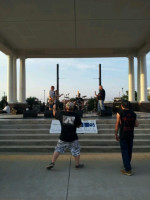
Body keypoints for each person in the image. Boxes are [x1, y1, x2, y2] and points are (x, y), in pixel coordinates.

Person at [46, 102, 84, 170]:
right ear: (73, 108)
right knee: (76, 150)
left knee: (58, 149)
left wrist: (54, 108)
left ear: (66, 107)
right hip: (73, 137)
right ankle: (77, 164)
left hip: (63, 137)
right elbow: (79, 125)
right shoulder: (76, 115)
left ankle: (52, 162)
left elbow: (54, 114)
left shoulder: (61, 114)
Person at [115, 100, 138, 176]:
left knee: (124, 151)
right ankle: (127, 164)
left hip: (123, 134)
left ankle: (128, 170)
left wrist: (116, 134)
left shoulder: (119, 113)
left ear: (122, 106)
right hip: (130, 134)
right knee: (129, 151)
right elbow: (136, 124)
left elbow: (117, 125)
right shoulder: (133, 113)